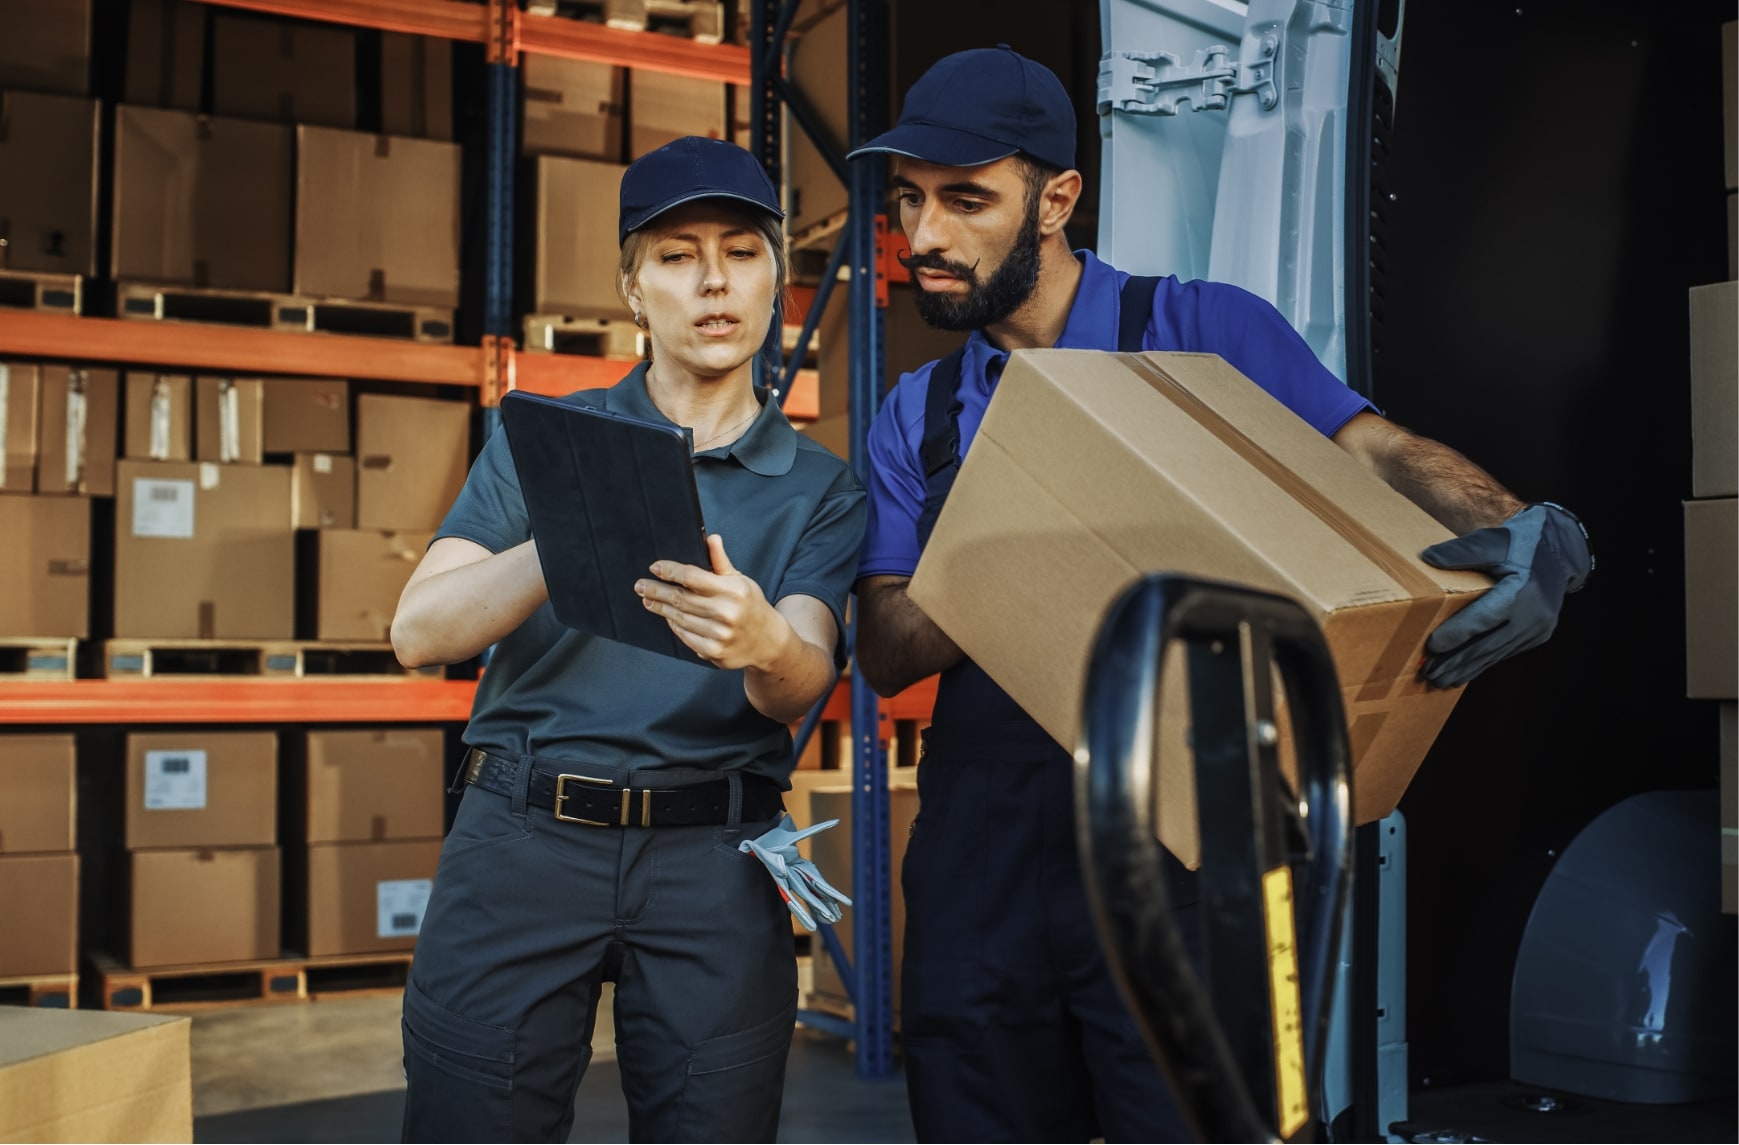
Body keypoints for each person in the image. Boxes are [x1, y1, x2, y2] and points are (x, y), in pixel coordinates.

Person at [846, 46, 1593, 1142]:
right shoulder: (919, 412)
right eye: (908, 200)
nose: (922, 236)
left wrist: (1528, 523)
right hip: (982, 862)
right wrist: (1027, 517)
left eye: (965, 200)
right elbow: (884, 646)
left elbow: (1375, 451)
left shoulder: (1198, 331)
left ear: (1055, 199)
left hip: (1190, 851)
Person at [389, 135, 868, 1143]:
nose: (712, 281)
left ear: (777, 282)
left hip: (714, 858)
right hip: (523, 838)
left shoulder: (820, 488)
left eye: (741, 252)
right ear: (631, 289)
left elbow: (803, 673)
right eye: (676, 255)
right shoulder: (541, 439)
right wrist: (571, 528)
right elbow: (418, 630)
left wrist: (763, 640)